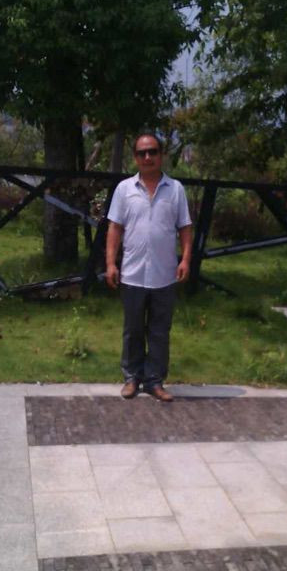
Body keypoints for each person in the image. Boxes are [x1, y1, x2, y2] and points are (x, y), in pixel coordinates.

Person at [105, 133, 193, 401]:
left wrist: (185, 259)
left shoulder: (175, 189)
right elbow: (115, 228)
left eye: (152, 151)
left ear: (161, 155)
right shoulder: (124, 189)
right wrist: (110, 263)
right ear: (135, 157)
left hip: (164, 275)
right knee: (132, 330)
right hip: (132, 274)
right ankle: (132, 378)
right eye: (142, 153)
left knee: (159, 332)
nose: (147, 157)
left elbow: (185, 227)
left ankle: (154, 381)